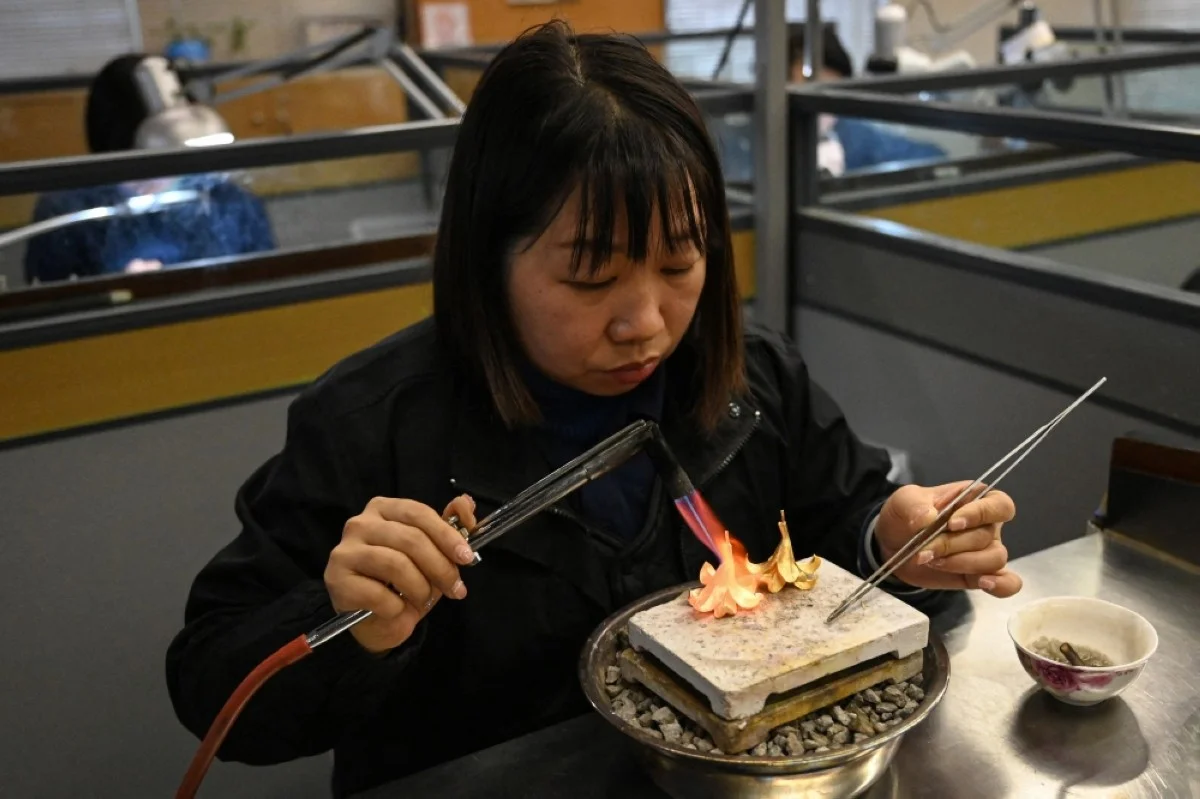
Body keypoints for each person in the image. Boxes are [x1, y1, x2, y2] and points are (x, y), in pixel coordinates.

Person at [166, 21, 1019, 798]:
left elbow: (844, 526)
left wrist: (898, 540)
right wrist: (347, 621)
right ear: (486, 257)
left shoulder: (751, 382)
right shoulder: (372, 423)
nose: (645, 323)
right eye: (590, 276)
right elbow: (211, 683)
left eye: (680, 263)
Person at [22, 55, 275, 284]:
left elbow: (269, 282)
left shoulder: (228, 200)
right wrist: (122, 291)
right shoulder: (71, 213)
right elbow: (46, 304)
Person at [789, 25, 947, 173]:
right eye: (808, 89)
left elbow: (933, 157)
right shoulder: (770, 143)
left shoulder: (851, 135)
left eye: (828, 94)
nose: (818, 110)